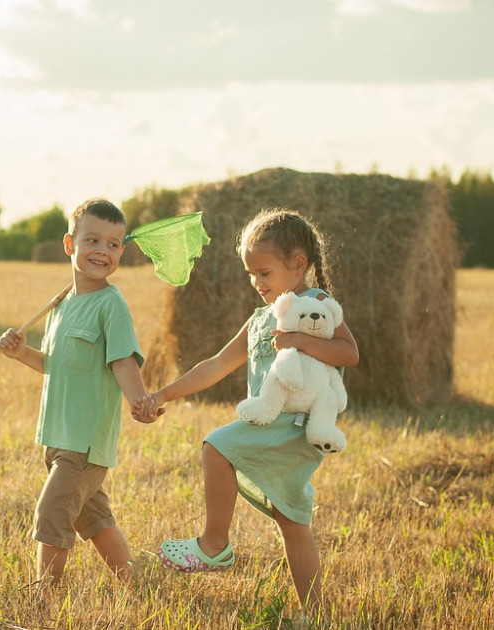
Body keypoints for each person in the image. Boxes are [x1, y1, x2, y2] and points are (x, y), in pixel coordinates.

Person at [133, 207, 359, 616]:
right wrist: (164, 393)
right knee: (293, 525)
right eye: (250, 274)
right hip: (273, 424)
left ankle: (214, 545)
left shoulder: (316, 303)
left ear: (298, 265)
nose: (256, 282)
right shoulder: (259, 320)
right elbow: (216, 365)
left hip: (294, 427)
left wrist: (296, 339)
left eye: (264, 273)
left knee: (216, 447)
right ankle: (319, 616)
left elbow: (349, 352)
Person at [0, 197, 157, 587]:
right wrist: (21, 354)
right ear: (70, 245)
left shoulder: (111, 304)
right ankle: (134, 584)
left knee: (52, 512)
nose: (103, 251)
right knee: (93, 519)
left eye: (114, 244)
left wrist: (140, 400)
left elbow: (122, 361)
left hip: (84, 441)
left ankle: (44, 598)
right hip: (56, 436)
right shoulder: (61, 304)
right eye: (93, 241)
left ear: (122, 251)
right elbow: (54, 363)